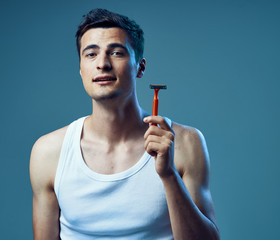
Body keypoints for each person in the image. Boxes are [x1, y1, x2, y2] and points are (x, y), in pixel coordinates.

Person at [30, 8, 220, 240]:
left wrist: (168, 175)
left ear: (140, 67)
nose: (102, 64)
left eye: (117, 53)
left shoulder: (186, 143)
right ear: (80, 69)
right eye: (91, 54)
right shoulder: (49, 152)